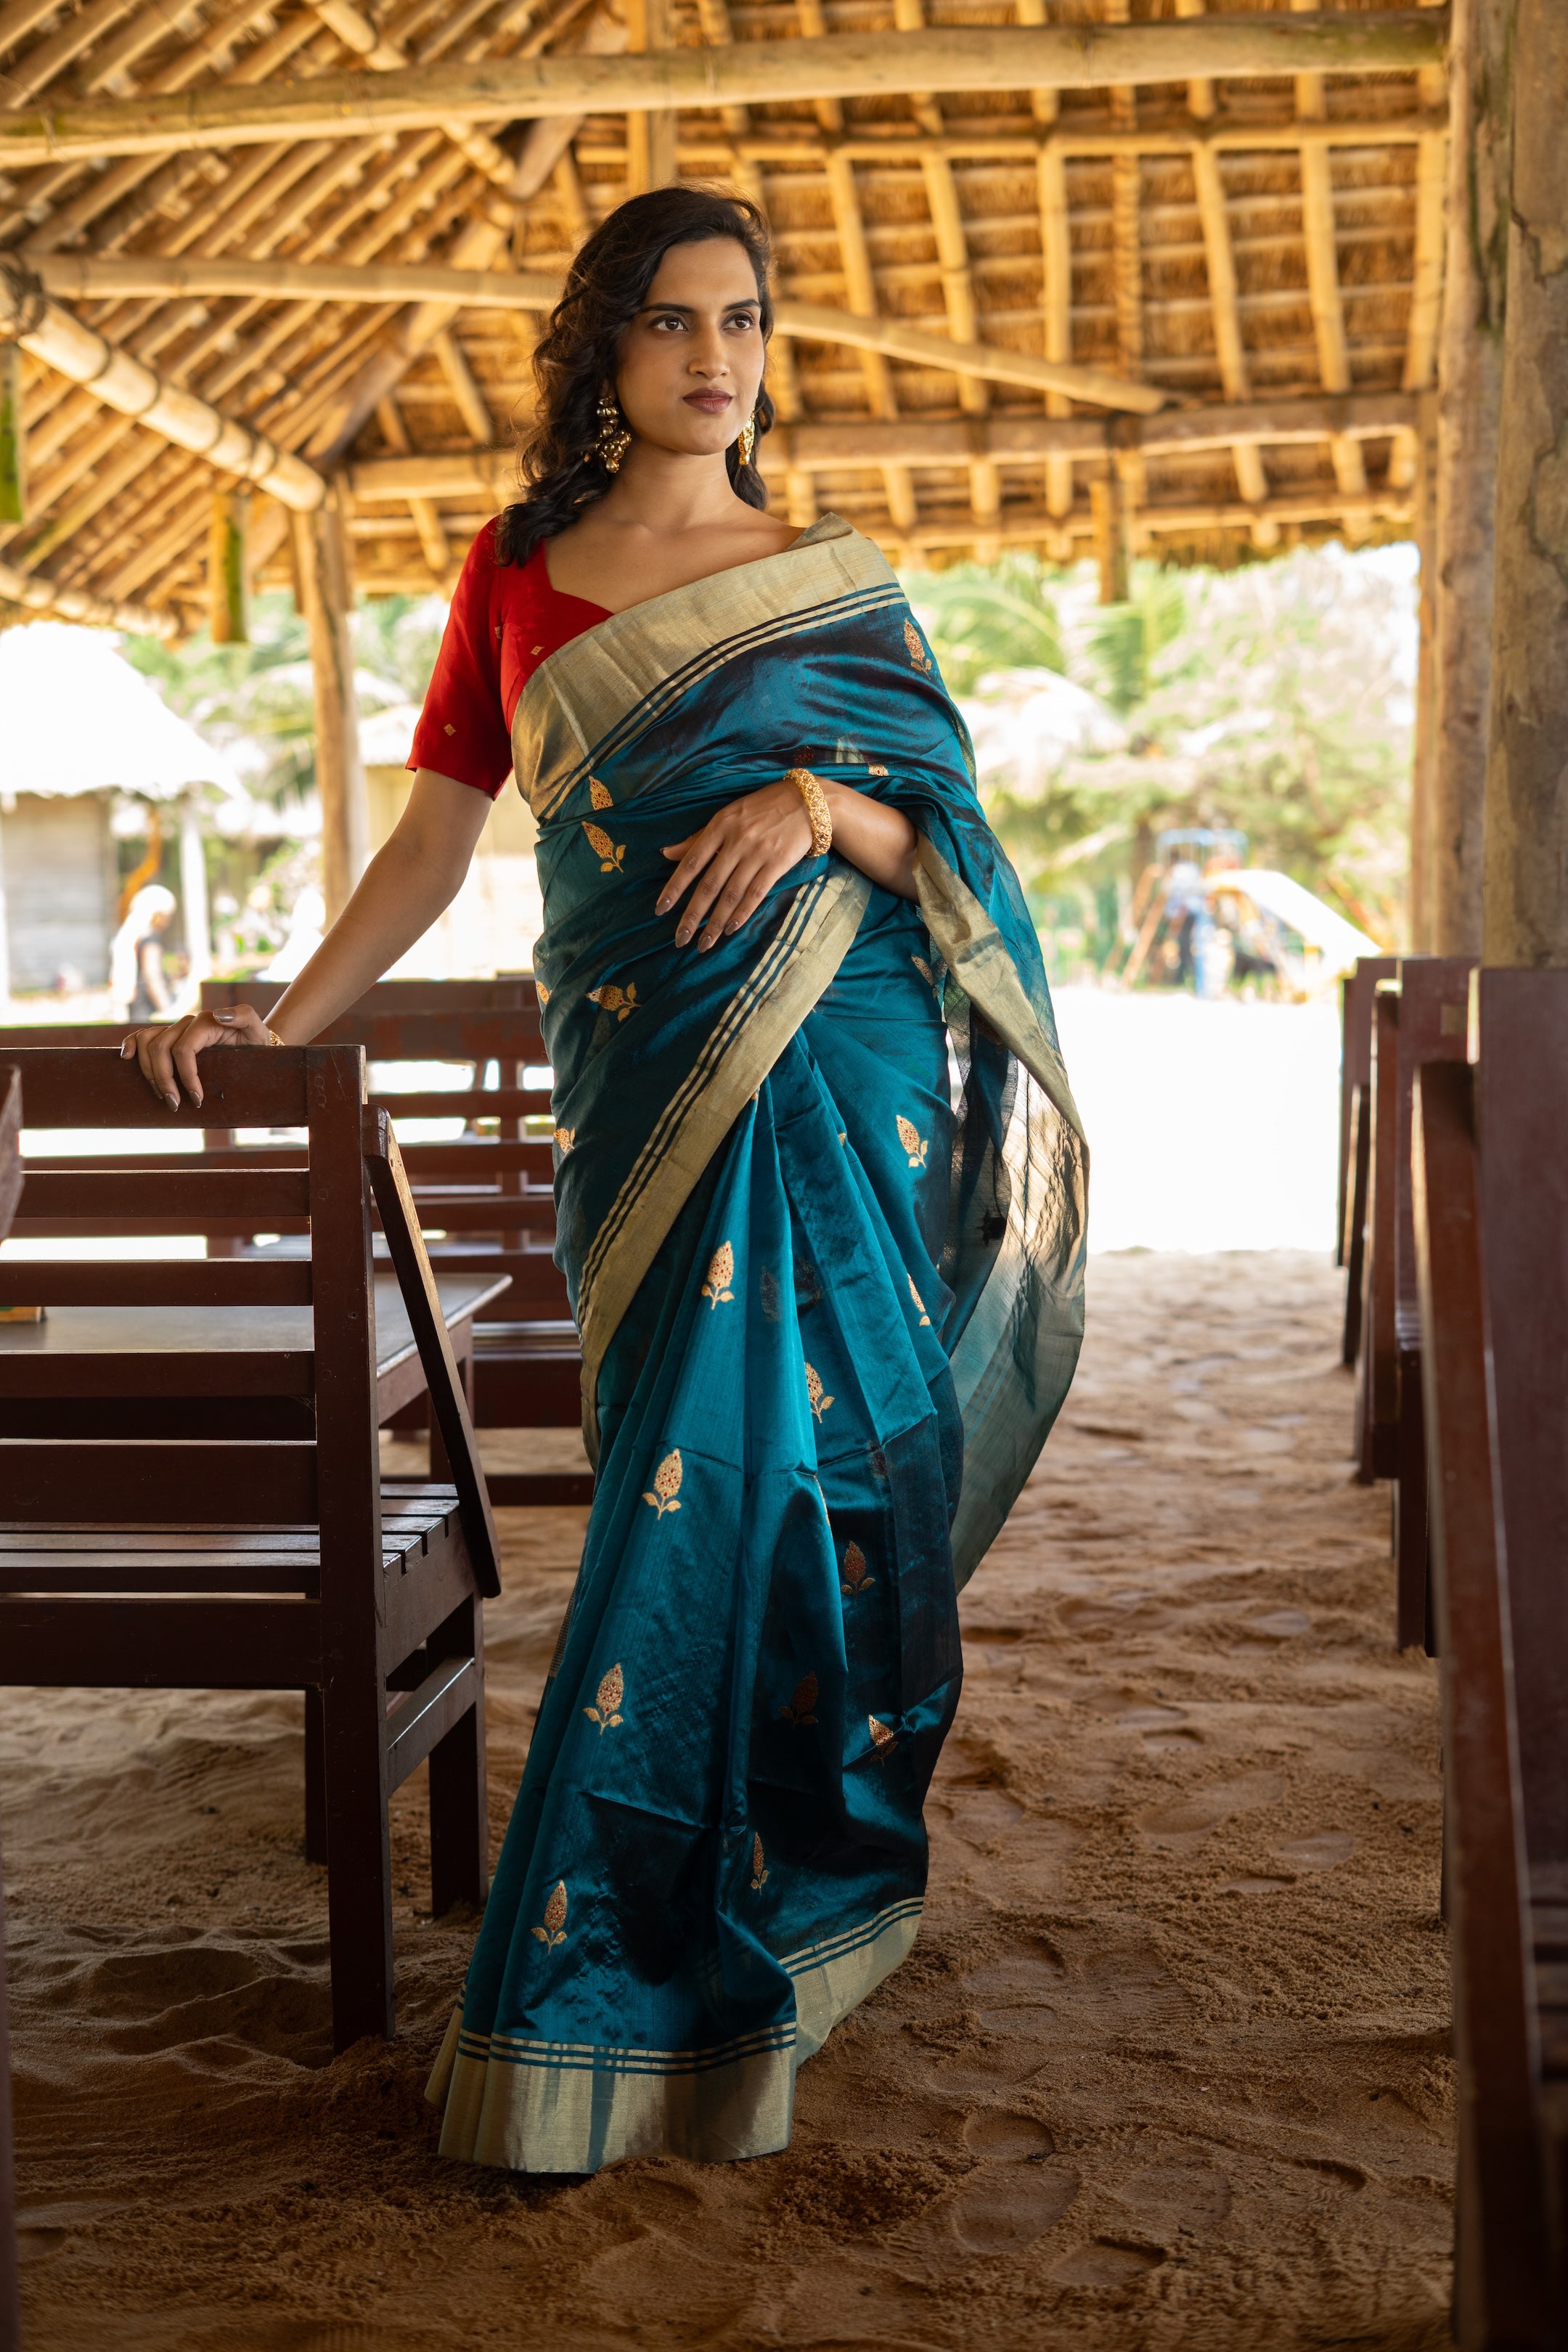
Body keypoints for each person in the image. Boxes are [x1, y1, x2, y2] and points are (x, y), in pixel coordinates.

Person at [121, 187, 1087, 2176]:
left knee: (802, 1493)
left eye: (741, 318)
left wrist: (822, 802)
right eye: (668, 321)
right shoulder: (515, 574)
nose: (712, 355)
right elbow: (432, 847)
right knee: (689, 1481)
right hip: (648, 1096)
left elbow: (957, 853)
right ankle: (637, 1978)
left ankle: (716, 1938)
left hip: (848, 1075)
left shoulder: (837, 583)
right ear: (606, 347)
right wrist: (283, 1027)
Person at [109, 883, 176, 1024]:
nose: (168, 922)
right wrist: (169, 1014)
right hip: (147, 1013)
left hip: (136, 1013)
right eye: (167, 916)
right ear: (157, 915)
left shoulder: (132, 937)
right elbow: (152, 977)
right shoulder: (150, 940)